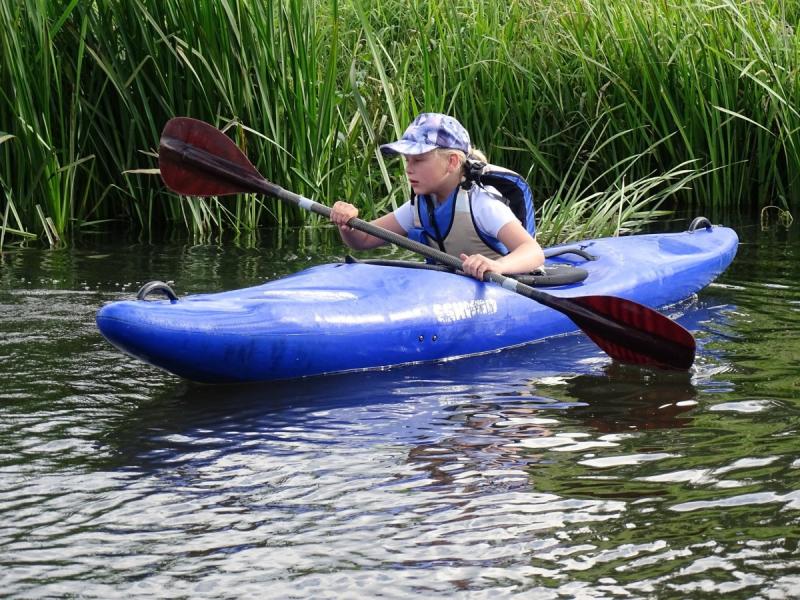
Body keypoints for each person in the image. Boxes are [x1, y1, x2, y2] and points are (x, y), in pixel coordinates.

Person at [329, 113, 545, 281]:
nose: (408, 170)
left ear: (451, 162)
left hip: (502, 285)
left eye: (418, 160)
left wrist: (498, 267)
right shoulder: (419, 206)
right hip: (451, 287)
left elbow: (533, 252)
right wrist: (347, 224)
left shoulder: (481, 204)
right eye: (407, 161)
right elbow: (363, 240)